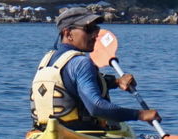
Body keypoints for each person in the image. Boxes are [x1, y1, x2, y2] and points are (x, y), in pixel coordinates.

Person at [30, 7, 160, 131]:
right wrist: (140, 115)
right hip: (80, 137)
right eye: (89, 29)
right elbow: (96, 107)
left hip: (43, 132)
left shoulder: (47, 61)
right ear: (68, 33)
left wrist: (116, 82)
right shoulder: (82, 62)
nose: (95, 35)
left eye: (96, 29)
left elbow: (70, 83)